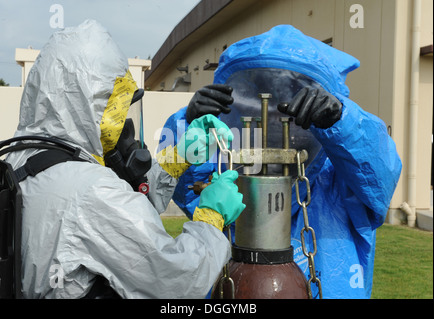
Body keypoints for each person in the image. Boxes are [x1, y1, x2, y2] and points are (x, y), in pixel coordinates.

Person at [4, 20, 245, 299]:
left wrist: (177, 159)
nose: (127, 129)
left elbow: (119, 223)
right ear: (93, 105)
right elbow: (179, 280)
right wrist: (211, 217)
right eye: (119, 109)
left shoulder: (24, 159)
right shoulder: (89, 189)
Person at [158, 25, 402, 299]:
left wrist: (344, 122)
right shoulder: (227, 180)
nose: (273, 118)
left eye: (283, 104)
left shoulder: (339, 180)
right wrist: (187, 126)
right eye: (260, 101)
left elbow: (379, 171)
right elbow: (182, 187)